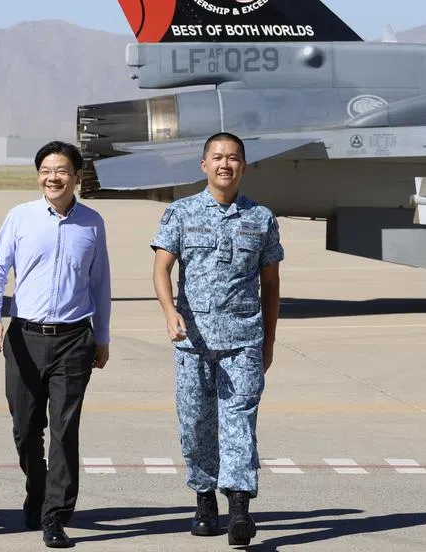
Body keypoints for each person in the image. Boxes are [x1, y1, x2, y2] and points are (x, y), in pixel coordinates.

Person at [151, 131, 283, 546]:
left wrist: (268, 341)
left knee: (240, 421)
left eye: (233, 158)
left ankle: (240, 508)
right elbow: (161, 269)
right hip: (193, 341)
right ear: (204, 165)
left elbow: (271, 284)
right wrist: (169, 312)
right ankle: (205, 499)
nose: (226, 164)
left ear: (244, 166)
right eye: (218, 157)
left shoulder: (261, 218)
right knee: (195, 425)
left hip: (243, 340)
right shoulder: (180, 213)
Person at [0, 140, 111, 549]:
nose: (53, 178)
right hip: (25, 337)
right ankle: (37, 489)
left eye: (61, 171)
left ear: (77, 177)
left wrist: (102, 336)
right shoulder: (20, 217)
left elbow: (99, 283)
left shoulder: (92, 223)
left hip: (74, 338)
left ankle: (55, 515)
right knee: (25, 429)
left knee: (64, 430)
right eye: (45, 171)